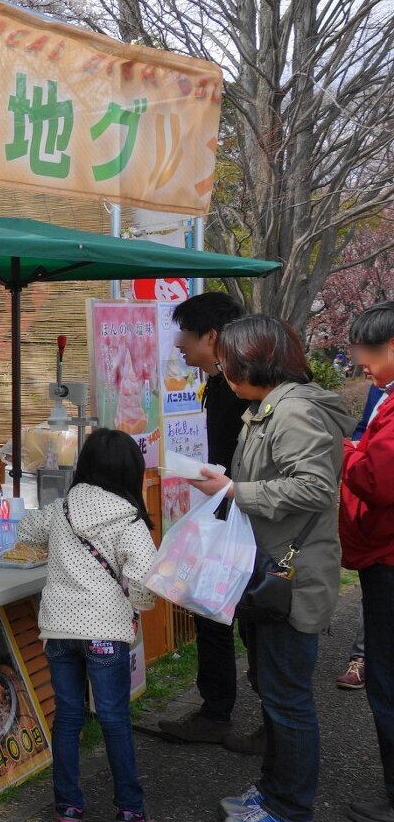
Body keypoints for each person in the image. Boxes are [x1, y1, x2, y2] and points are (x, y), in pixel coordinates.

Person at [189, 315, 353, 822]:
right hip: (269, 572)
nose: (222, 371)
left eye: (227, 363)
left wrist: (234, 490)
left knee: (288, 701)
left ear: (255, 362)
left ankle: (294, 816)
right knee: (274, 692)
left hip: (292, 579)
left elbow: (315, 488)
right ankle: (274, 792)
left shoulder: (294, 411)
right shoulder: (267, 408)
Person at [17, 429, 157, 822]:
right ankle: (130, 815)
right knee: (114, 719)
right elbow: (145, 581)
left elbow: (26, 531)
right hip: (106, 633)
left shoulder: (61, 508)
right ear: (129, 470)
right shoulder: (128, 519)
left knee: (68, 717)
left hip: (58, 631)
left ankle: (68, 812)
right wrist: (138, 607)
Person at [159, 292, 253, 747]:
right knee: (210, 610)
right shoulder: (217, 385)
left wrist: (229, 485)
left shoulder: (245, 388)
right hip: (223, 510)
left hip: (249, 517)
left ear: (211, 336)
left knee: (252, 618)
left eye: (185, 334)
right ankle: (216, 712)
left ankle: (275, 723)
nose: (178, 344)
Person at [338, 301, 394, 822]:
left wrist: (346, 452)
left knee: (387, 678)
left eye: (369, 351)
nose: (361, 362)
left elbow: (379, 481)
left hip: (388, 559)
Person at [337, 384, 383, 691]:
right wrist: (354, 448)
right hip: (378, 523)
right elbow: (364, 430)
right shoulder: (379, 389)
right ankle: (362, 658)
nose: (363, 364)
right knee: (378, 588)